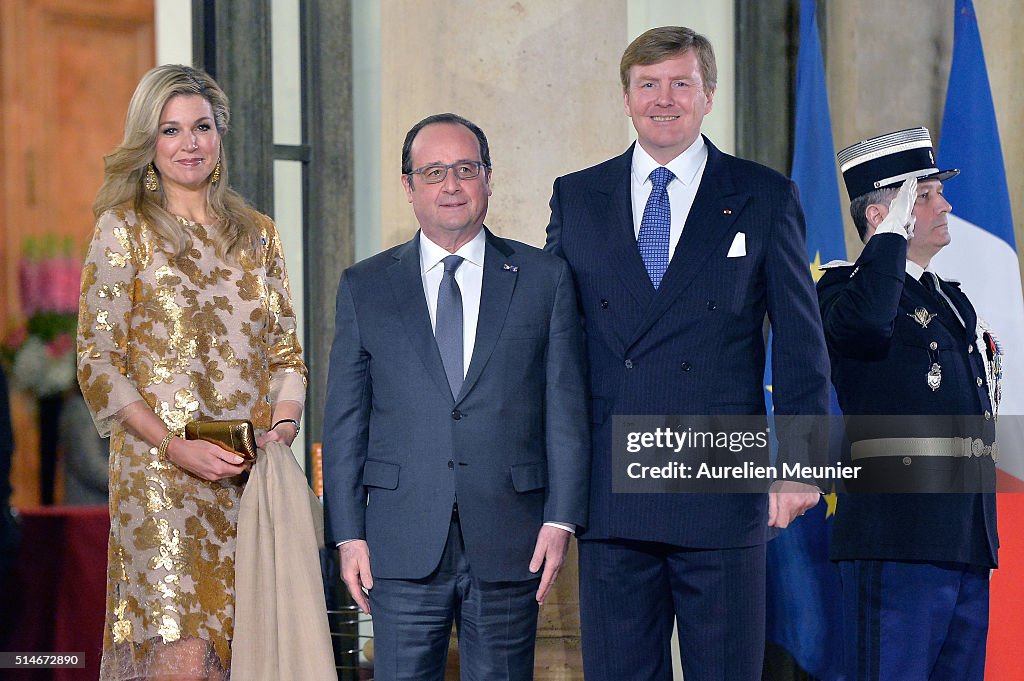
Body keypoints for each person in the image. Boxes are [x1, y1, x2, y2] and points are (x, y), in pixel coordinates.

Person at [545, 26, 830, 680]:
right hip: (613, 489)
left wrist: (802, 462)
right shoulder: (577, 196)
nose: (663, 99)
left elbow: (800, 343)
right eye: (648, 85)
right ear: (626, 98)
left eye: (680, 84)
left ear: (708, 95)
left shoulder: (763, 194)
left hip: (720, 486)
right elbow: (554, 342)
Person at [323, 112, 589, 680]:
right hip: (398, 541)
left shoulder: (544, 279)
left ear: (488, 179)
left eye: (465, 169)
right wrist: (347, 533)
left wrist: (561, 520)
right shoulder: (365, 286)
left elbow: (566, 410)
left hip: (513, 536)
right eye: (434, 171)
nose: (451, 185)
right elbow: (346, 421)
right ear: (409, 186)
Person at [77, 64, 307, 680]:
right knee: (182, 659)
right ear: (148, 142)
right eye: (171, 130)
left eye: (202, 127)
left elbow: (287, 356)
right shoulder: (122, 231)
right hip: (160, 483)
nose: (190, 144)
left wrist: (280, 432)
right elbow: (98, 362)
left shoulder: (258, 235)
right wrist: (175, 447)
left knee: (249, 651)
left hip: (248, 479)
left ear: (220, 134)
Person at [819, 127, 998, 680]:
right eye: (923, 196)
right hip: (897, 537)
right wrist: (888, 241)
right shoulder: (841, 290)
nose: (944, 204)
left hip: (963, 536)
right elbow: (870, 325)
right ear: (882, 214)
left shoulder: (950, 299)